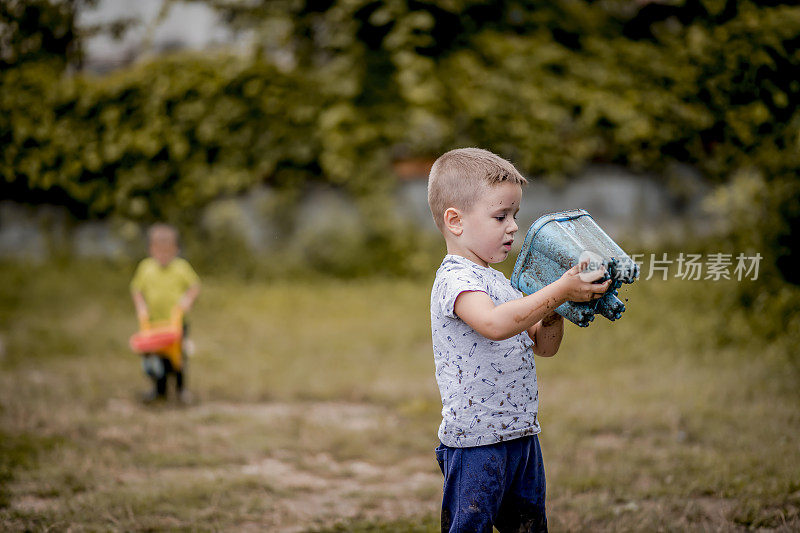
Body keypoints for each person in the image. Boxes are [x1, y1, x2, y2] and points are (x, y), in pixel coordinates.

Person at [427, 148, 611, 532]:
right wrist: (560, 289)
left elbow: (544, 346)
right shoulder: (456, 279)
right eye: (500, 216)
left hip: (522, 434)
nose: (513, 227)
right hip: (476, 443)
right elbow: (494, 324)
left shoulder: (501, 282)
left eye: (515, 215)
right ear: (455, 221)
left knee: (529, 526)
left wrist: (555, 310)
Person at [130, 223, 201, 404]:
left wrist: (186, 301)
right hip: (154, 324)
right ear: (151, 250)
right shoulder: (146, 268)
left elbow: (194, 286)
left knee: (178, 358)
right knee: (157, 358)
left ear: (176, 250)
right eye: (159, 252)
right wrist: (141, 306)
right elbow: (136, 289)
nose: (163, 256)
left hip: (177, 324)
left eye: (167, 252)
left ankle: (180, 390)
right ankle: (159, 390)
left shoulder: (181, 267)